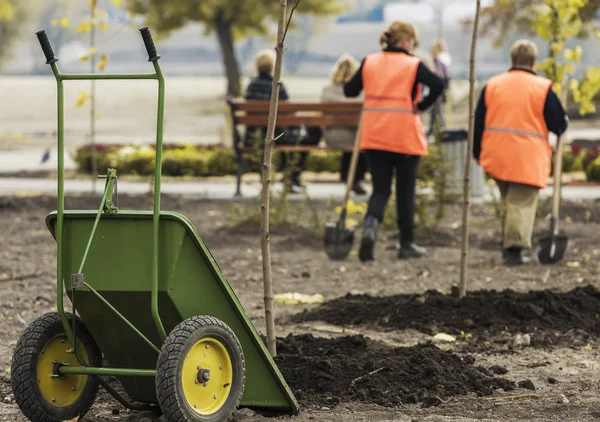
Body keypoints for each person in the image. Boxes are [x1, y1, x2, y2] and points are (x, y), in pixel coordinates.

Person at [344, 21, 444, 262]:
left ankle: (370, 227)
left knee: (380, 190)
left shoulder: (370, 61)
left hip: (375, 135)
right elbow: (439, 85)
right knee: (405, 191)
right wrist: (420, 106)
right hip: (404, 137)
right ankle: (407, 244)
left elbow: (349, 90)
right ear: (406, 41)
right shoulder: (413, 65)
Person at [473, 39, 568, 266]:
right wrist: (563, 120)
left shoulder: (493, 85)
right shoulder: (542, 88)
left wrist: (477, 151)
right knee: (520, 204)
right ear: (534, 62)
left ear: (512, 59)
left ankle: (508, 245)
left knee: (509, 201)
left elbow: (478, 121)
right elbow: (558, 125)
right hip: (527, 158)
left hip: (497, 155)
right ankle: (514, 250)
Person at [244, 49, 321, 193]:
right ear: (273, 67)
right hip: (276, 135)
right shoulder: (277, 85)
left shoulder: (251, 86)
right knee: (307, 137)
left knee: (293, 137)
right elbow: (289, 113)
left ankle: (290, 178)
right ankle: (292, 177)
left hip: (253, 136)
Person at [321, 54, 368, 195]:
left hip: (332, 137)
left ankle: (345, 174)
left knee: (351, 137)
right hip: (356, 138)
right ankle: (356, 179)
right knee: (359, 141)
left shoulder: (327, 90)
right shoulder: (361, 92)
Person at [427, 40, 451, 136]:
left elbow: (445, 77)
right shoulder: (434, 62)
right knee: (435, 110)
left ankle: (440, 127)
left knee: (438, 109)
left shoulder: (440, 62)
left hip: (439, 89)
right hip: (435, 88)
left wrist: (445, 89)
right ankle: (435, 127)